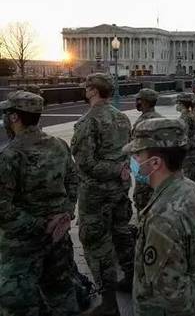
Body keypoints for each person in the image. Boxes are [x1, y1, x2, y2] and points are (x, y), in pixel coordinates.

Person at [124, 118, 195, 315]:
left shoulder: (162, 218)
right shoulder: (194, 189)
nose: (134, 161)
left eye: (137, 154)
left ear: (155, 163)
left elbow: (173, 296)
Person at [0, 91, 79, 315]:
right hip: (58, 238)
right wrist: (66, 214)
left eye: (8, 113)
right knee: (61, 293)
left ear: (15, 117)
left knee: (18, 302)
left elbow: (2, 207)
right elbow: (73, 180)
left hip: (22, 247)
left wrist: (38, 225)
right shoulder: (59, 145)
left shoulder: (11, 155)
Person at [71, 73, 134, 313]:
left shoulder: (88, 121)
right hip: (120, 190)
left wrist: (116, 168)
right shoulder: (122, 118)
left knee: (97, 246)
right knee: (122, 234)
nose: (84, 91)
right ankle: (130, 277)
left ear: (93, 91)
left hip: (96, 194)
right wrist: (121, 169)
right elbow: (126, 152)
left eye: (86, 87)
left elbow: (85, 163)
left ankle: (109, 304)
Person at [132, 88, 163, 213]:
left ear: (144, 102)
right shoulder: (161, 119)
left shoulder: (142, 122)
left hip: (145, 169)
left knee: (143, 204)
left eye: (138, 100)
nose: (137, 103)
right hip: (159, 169)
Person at [176, 92, 195, 180]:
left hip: (189, 154)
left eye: (177, 103)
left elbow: (184, 138)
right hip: (193, 151)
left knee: (189, 179)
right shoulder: (190, 115)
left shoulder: (185, 118)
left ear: (181, 104)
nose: (176, 105)